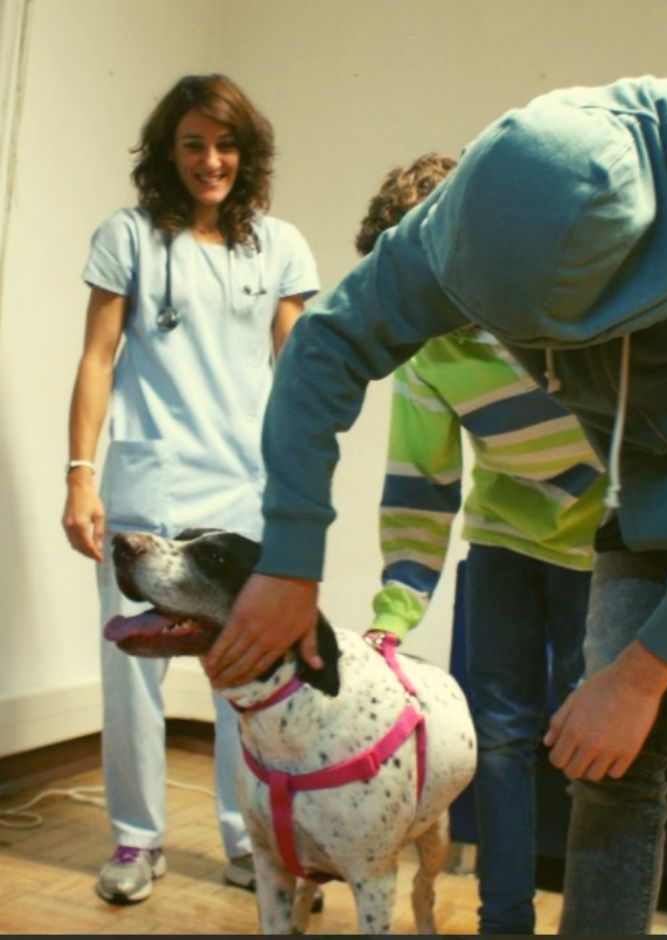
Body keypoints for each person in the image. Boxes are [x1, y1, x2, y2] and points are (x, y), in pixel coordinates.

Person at [204, 75, 667, 933]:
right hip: (642, 456)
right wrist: (290, 559)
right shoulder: (466, 218)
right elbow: (323, 351)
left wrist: (645, 671)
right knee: (603, 766)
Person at [61, 73, 319, 904]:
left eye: (227, 144)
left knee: (241, 669)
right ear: (167, 153)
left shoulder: (279, 247)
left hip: (244, 491)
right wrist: (80, 475)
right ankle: (136, 841)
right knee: (131, 668)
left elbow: (301, 375)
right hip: (149, 484)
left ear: (249, 153)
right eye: (194, 144)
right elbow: (97, 359)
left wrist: (301, 498)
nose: (212, 160)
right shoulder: (128, 236)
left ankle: (247, 838)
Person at [356, 154, 607, 934]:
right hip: (504, 536)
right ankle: (505, 920)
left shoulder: (557, 298)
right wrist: (394, 611)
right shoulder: (426, 351)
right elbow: (422, 482)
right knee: (500, 741)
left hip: (606, 542)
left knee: (594, 743)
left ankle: (596, 917)